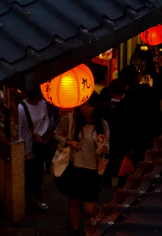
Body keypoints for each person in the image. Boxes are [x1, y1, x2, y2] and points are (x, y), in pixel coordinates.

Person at [53, 92, 110, 235]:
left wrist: (103, 148)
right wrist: (69, 142)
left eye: (89, 106)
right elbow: (57, 133)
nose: (85, 108)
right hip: (75, 168)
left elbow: (106, 147)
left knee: (89, 208)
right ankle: (74, 229)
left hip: (92, 170)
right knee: (74, 202)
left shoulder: (102, 125)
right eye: (83, 105)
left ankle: (95, 229)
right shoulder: (71, 119)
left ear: (96, 107)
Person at [118, 65, 162, 166]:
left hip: (135, 147)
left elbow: (123, 129)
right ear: (138, 78)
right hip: (154, 143)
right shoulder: (151, 94)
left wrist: (126, 151)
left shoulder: (124, 103)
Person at [18, 87, 50, 211]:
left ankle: (37, 197)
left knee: (38, 171)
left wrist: (40, 133)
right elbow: (19, 129)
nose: (41, 98)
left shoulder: (42, 104)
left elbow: (46, 119)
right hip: (27, 145)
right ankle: (26, 198)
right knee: (27, 173)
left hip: (38, 144)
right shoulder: (21, 108)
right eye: (39, 96)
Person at [99, 79, 128, 186]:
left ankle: (105, 181)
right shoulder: (127, 107)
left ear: (110, 90)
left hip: (105, 141)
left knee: (106, 167)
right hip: (122, 142)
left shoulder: (103, 107)